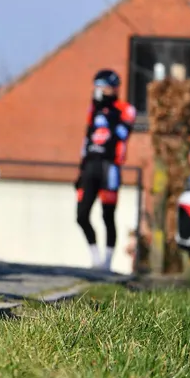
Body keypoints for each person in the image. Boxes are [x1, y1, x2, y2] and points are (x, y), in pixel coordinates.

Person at [75, 69, 136, 271]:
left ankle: (107, 263)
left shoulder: (126, 109)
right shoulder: (93, 109)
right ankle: (95, 257)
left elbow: (121, 133)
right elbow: (87, 138)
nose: (99, 91)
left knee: (107, 215)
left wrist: (108, 110)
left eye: (103, 87)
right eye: (97, 87)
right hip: (90, 165)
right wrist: (81, 169)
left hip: (110, 166)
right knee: (82, 215)